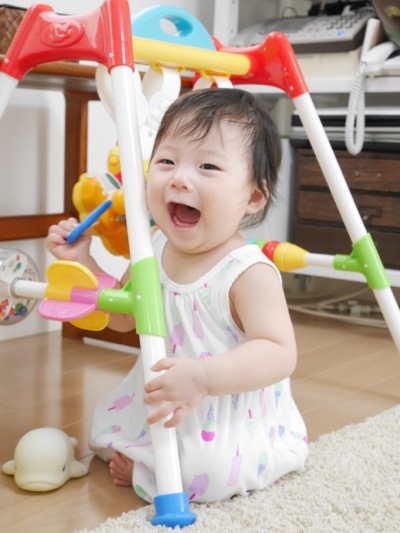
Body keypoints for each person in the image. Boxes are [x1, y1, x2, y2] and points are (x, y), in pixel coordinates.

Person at [46, 88, 308, 503]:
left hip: (226, 407)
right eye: (167, 161)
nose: (180, 178)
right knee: (103, 426)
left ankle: (154, 466)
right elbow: (123, 317)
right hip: (168, 395)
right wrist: (85, 262)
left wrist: (204, 377)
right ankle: (150, 460)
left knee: (209, 474)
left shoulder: (247, 272)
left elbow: (279, 353)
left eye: (208, 166)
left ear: (253, 197)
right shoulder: (152, 247)